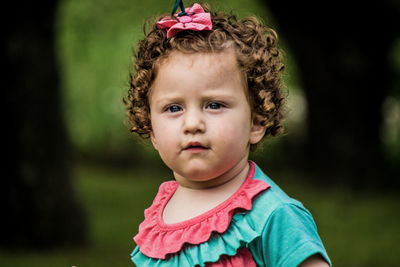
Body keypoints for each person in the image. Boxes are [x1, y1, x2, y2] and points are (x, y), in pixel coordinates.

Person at [125, 1, 331, 266]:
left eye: (214, 105)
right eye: (173, 108)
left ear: (256, 122)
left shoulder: (272, 216)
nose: (193, 123)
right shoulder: (159, 217)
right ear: (151, 129)